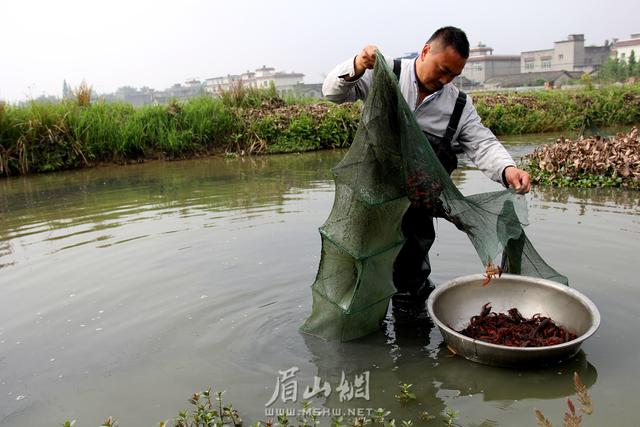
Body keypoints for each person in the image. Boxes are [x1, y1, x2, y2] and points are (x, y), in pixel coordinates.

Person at [322, 26, 531, 320]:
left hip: (417, 207)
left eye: (453, 76)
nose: (444, 80)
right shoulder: (387, 73)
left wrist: (508, 169)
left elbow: (482, 142)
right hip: (371, 202)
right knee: (363, 276)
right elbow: (332, 91)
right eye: (442, 70)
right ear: (425, 51)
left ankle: (412, 339)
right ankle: (365, 331)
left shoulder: (457, 104)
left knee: (411, 282)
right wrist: (357, 64)